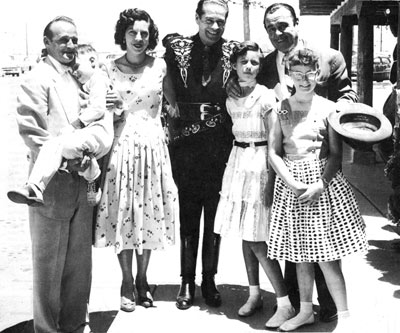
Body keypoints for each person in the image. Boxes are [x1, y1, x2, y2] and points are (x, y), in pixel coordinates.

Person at [227, 2, 358, 322]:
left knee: (325, 241)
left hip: (320, 161)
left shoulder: (329, 57)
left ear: (297, 22)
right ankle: (300, 305)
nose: (277, 33)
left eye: (283, 25)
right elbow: (246, 84)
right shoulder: (266, 63)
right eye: (271, 28)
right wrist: (234, 85)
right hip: (283, 165)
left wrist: (331, 114)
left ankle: (330, 306)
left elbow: (347, 95)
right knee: (291, 236)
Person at [13, 16, 111, 333]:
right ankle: (46, 328)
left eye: (73, 39)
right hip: (53, 184)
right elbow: (33, 134)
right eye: (62, 40)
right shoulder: (37, 78)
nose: (69, 46)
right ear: (47, 43)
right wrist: (66, 162)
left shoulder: (78, 77)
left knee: (79, 264)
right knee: (49, 264)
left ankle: (74, 324)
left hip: (81, 182)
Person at [267, 47, 368, 332]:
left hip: (321, 184)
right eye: (297, 74)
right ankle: (305, 311)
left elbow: (336, 154)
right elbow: (274, 152)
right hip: (292, 186)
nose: (304, 79)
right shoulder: (280, 107)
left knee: (327, 256)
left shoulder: (328, 107)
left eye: (309, 73)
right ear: (290, 75)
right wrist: (292, 183)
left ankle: (345, 316)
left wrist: (320, 184)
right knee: (300, 255)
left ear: (317, 74)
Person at [93, 8, 179, 312]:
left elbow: (173, 106)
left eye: (144, 33)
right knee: (124, 214)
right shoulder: (106, 69)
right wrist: (111, 108)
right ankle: (126, 282)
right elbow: (97, 110)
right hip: (122, 148)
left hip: (153, 148)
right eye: (133, 32)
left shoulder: (160, 66)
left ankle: (143, 280)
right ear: (123, 35)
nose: (139, 38)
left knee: (148, 215)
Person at [213, 41, 295, 328]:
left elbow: (276, 143)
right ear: (233, 66)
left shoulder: (266, 97)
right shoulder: (231, 95)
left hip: (261, 163)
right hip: (238, 161)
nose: (249, 67)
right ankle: (254, 293)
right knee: (244, 236)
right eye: (244, 62)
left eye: (256, 62)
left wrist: (272, 179)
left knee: (257, 239)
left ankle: (285, 302)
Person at [163, 0, 237, 310]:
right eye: (209, 19)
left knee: (214, 217)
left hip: (220, 145)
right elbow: (161, 77)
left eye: (221, 21)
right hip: (185, 145)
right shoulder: (176, 47)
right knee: (189, 214)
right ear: (197, 18)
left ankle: (209, 279)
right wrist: (169, 108)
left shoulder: (234, 50)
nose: (215, 26)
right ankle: (186, 280)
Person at [8, 44, 113, 207]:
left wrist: (75, 125)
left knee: (57, 143)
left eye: (77, 66)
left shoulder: (98, 79)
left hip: (99, 133)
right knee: (61, 147)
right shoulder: (86, 83)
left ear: (92, 61)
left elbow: (98, 108)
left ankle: (39, 185)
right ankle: (37, 187)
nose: (74, 72)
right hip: (91, 136)